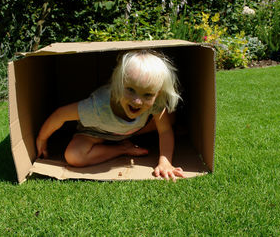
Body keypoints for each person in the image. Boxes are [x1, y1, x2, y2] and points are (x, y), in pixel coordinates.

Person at [36, 49, 185, 181]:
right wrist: (42, 138)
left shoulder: (156, 102)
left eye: (147, 94)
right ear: (118, 83)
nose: (137, 101)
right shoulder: (97, 106)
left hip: (130, 131)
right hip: (96, 134)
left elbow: (164, 131)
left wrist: (165, 162)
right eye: (130, 90)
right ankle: (123, 149)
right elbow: (60, 114)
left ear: (157, 93)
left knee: (169, 119)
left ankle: (126, 142)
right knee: (74, 156)